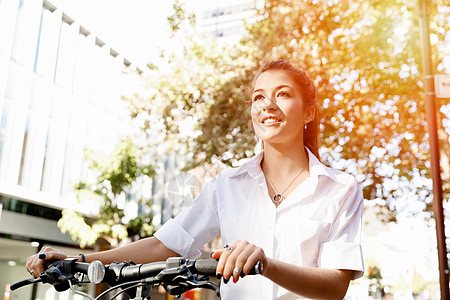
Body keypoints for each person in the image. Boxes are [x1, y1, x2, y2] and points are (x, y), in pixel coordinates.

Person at [26, 60, 364, 299]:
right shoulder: (226, 185)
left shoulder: (340, 189)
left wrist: (265, 264)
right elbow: (163, 245)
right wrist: (78, 261)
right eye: (259, 96)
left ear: (308, 112)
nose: (267, 104)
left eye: (283, 94)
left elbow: (335, 286)